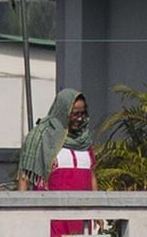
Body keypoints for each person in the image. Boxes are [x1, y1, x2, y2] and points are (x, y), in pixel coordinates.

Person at [15, 89, 95, 236]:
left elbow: (92, 176)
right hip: (52, 220)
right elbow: (25, 177)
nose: (79, 118)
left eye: (82, 113)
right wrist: (23, 214)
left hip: (82, 220)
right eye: (75, 113)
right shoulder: (42, 137)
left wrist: (98, 212)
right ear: (63, 111)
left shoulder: (85, 141)